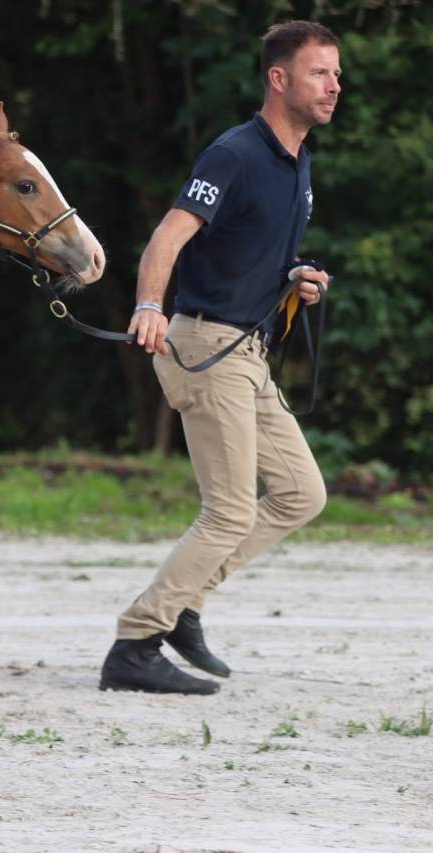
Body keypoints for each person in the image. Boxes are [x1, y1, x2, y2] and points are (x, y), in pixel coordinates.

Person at [99, 20, 340, 695]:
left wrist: (298, 277)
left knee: (301, 493)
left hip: (248, 350)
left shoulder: (297, 162)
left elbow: (251, 250)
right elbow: (167, 238)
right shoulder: (233, 154)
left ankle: (183, 604)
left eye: (336, 73)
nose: (335, 86)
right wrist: (148, 305)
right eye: (320, 73)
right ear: (279, 78)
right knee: (230, 509)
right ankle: (137, 639)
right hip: (205, 345)